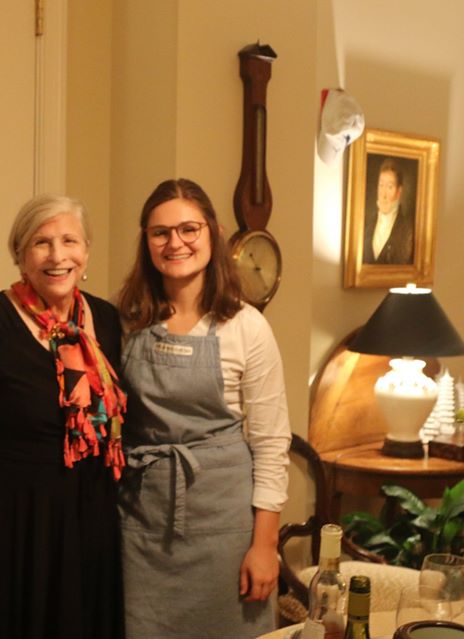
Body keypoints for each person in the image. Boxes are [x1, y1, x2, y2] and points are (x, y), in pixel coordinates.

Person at [0, 194, 126, 638]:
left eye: (69, 241)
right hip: (15, 534)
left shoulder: (105, 319)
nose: (58, 256)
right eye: (42, 243)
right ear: (21, 256)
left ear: (86, 252)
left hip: (89, 528)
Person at [116, 178, 291, 639]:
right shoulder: (127, 321)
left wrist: (265, 545)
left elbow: (272, 444)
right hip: (142, 526)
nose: (175, 242)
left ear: (212, 233)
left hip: (226, 534)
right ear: (146, 241)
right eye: (160, 232)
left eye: (189, 229)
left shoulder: (246, 327)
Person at [363, 158, 414, 264]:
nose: (383, 194)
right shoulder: (367, 225)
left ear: (398, 192)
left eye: (390, 187)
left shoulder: (407, 230)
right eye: (381, 186)